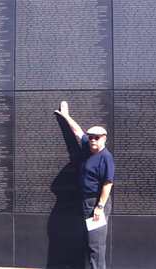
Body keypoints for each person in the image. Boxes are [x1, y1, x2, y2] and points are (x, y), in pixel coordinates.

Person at [55, 101, 114, 269]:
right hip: (85, 202)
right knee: (89, 242)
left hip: (96, 203)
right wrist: (66, 116)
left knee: (96, 244)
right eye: (91, 137)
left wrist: (100, 206)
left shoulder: (105, 157)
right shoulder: (88, 148)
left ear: (104, 139)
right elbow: (77, 132)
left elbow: (108, 183)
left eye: (97, 137)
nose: (93, 140)